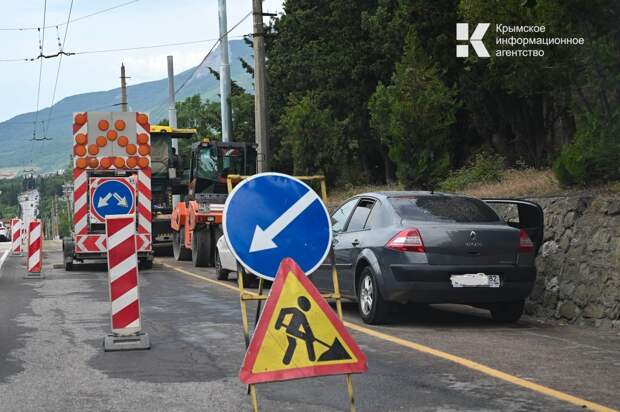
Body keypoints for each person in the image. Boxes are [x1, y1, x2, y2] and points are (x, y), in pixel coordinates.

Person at [275, 296, 317, 365]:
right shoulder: (295, 310)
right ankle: (286, 361)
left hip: (295, 331)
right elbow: (283, 311)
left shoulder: (303, 315)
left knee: (307, 340)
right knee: (293, 344)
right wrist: (278, 324)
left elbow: (307, 327)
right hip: (291, 330)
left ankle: (312, 358)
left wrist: (311, 336)